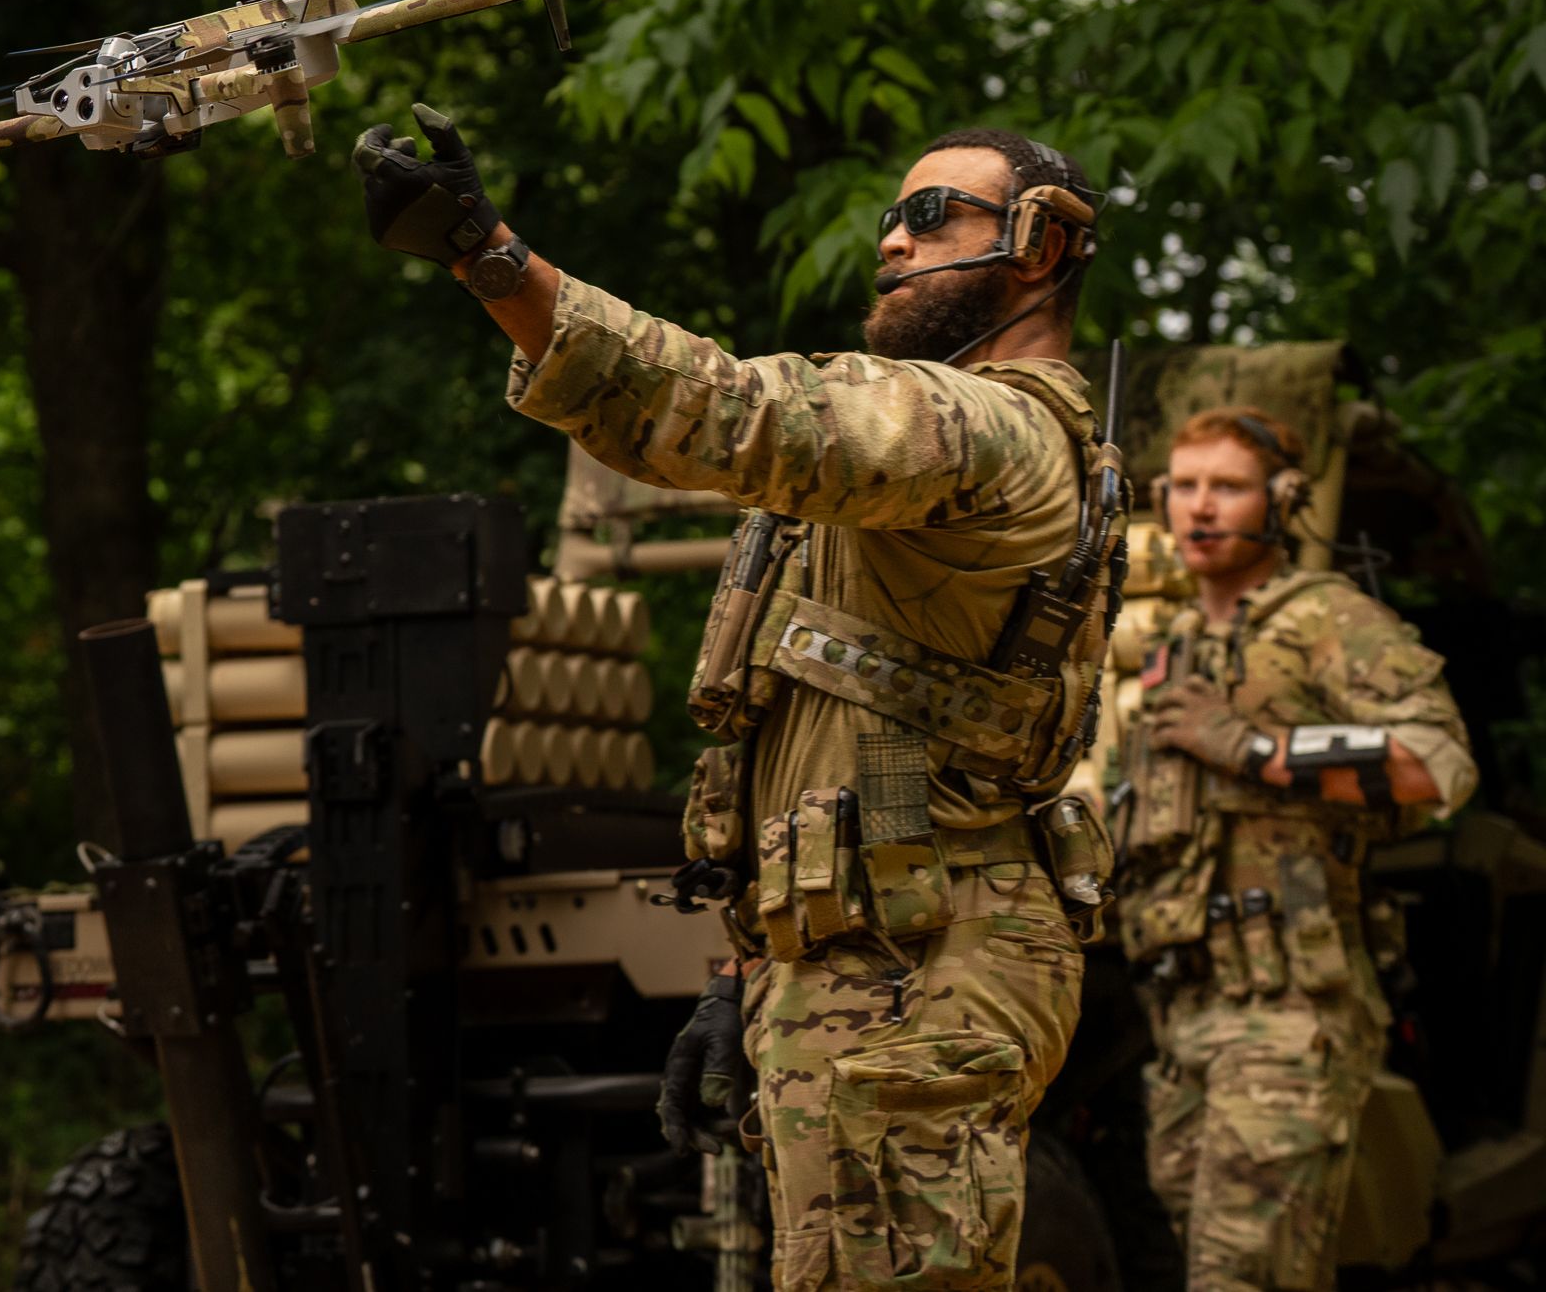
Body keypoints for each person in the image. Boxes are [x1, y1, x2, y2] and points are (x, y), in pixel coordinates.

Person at [352, 104, 1126, 1291]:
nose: (893, 241)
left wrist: (491, 258)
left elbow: (731, 414)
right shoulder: (911, 472)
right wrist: (746, 972)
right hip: (864, 958)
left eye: (931, 215)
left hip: (921, 972)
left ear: (1040, 245)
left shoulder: (990, 428)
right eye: (891, 218)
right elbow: (835, 750)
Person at [1118, 405, 1477, 1291]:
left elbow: (1437, 762)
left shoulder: (1327, 618)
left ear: (1282, 499)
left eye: (1228, 487)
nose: (1201, 508)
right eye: (1185, 487)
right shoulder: (1169, 647)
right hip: (1181, 1010)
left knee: (1243, 1274)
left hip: (1287, 1007)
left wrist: (1252, 748)